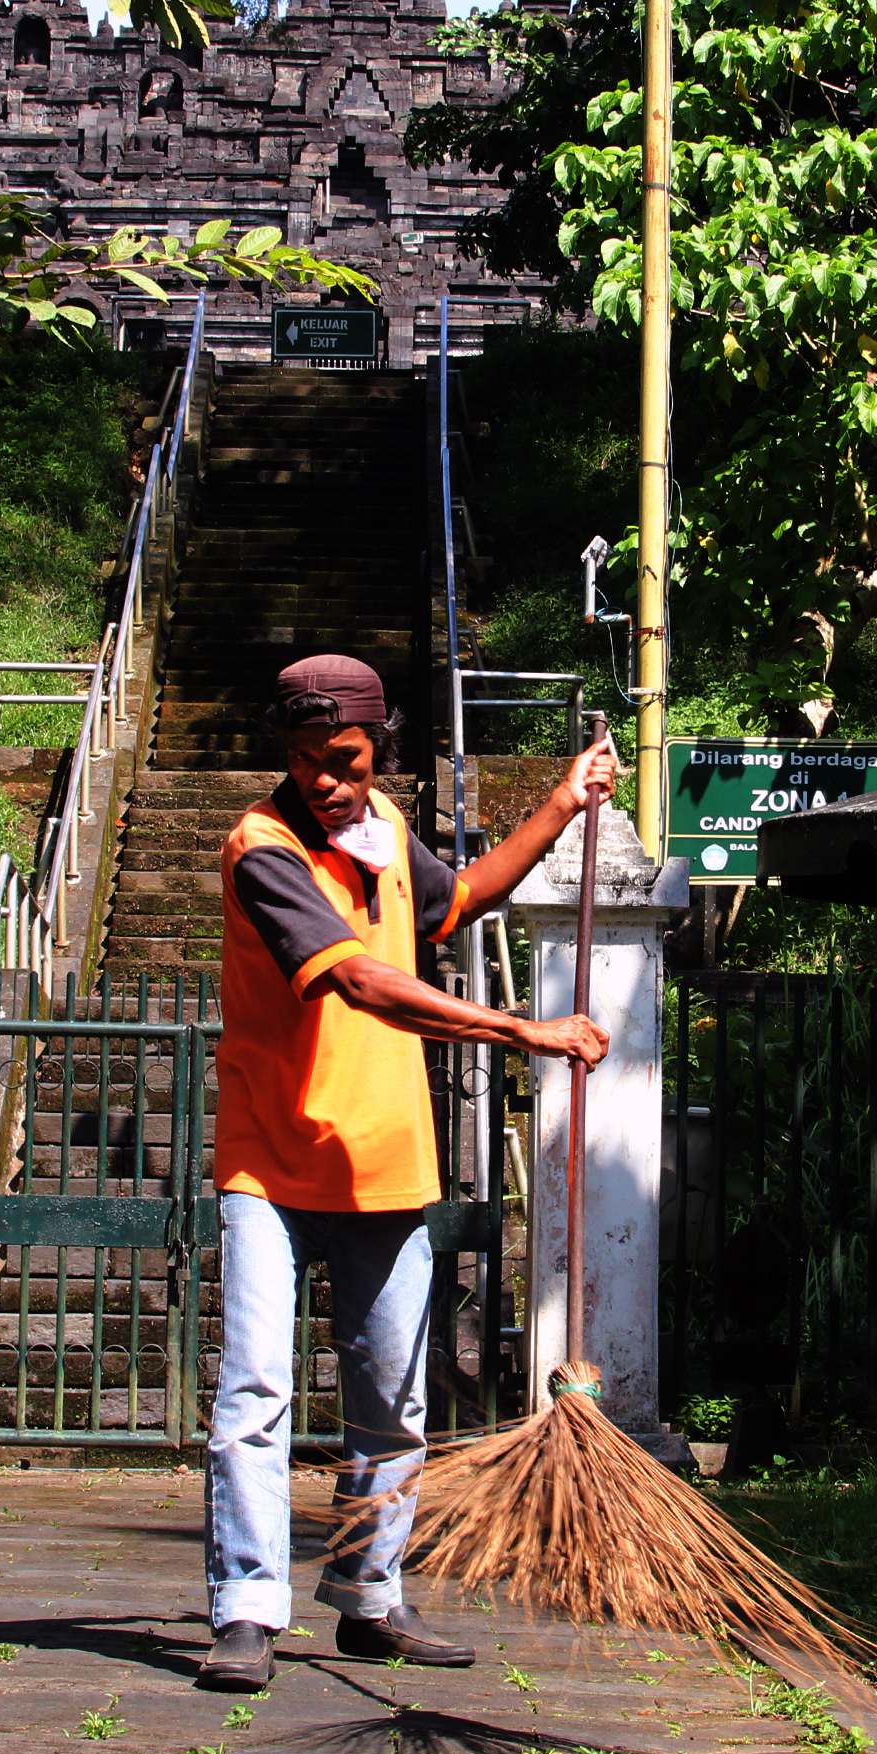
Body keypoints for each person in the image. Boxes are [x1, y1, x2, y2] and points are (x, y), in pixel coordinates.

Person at [198, 653, 618, 1693]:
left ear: (376, 747)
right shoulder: (262, 848)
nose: (321, 780)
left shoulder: (384, 831)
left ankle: (370, 1596)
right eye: (302, 761)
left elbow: (463, 896)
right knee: (255, 1390)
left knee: (392, 1401)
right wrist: (515, 1027)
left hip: (386, 1159)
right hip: (270, 1156)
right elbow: (358, 978)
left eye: (339, 759)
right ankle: (249, 1606)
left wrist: (562, 801)